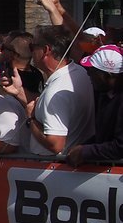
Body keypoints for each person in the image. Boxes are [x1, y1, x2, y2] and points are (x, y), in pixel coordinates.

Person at [22, 25, 95, 158]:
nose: (31, 52)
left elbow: (55, 145)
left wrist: (30, 119)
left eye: (32, 47)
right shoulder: (80, 72)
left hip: (54, 169)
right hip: (72, 166)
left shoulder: (56, 92)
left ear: (45, 50)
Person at [67, 44, 123, 166]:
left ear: (109, 75)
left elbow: (120, 147)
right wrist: (83, 147)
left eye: (93, 70)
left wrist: (84, 152)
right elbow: (104, 136)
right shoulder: (105, 95)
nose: (88, 74)